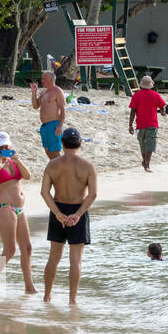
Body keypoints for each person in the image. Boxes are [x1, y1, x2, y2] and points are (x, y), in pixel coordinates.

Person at [41, 128, 97, 304]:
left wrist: (57, 213)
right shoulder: (87, 166)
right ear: (80, 144)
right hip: (78, 211)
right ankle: (72, 301)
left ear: (62, 144)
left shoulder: (52, 165)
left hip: (58, 209)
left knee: (53, 258)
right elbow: (93, 194)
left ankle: (47, 297)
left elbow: (44, 192)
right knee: (75, 261)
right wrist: (78, 214)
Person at [0, 132, 35, 294]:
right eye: (1, 147)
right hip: (4, 209)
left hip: (19, 210)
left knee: (27, 248)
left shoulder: (14, 161)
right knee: (10, 250)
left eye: (7, 146)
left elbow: (28, 176)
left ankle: (29, 287)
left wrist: (18, 160)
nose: (4, 149)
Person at [127, 74, 166, 172]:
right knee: (150, 144)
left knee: (142, 144)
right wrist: (162, 112)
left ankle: (146, 163)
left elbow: (133, 111)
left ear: (141, 85)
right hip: (152, 123)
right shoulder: (155, 95)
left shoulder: (136, 95)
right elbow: (162, 106)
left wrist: (130, 125)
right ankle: (146, 163)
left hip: (140, 125)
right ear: (151, 85)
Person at [30, 70, 67, 160]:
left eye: (44, 78)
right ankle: (56, 170)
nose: (42, 80)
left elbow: (63, 109)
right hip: (44, 125)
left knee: (55, 151)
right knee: (47, 150)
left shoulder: (57, 91)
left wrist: (60, 126)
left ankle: (63, 171)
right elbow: (35, 106)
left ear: (51, 79)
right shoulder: (44, 92)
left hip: (54, 124)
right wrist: (34, 92)